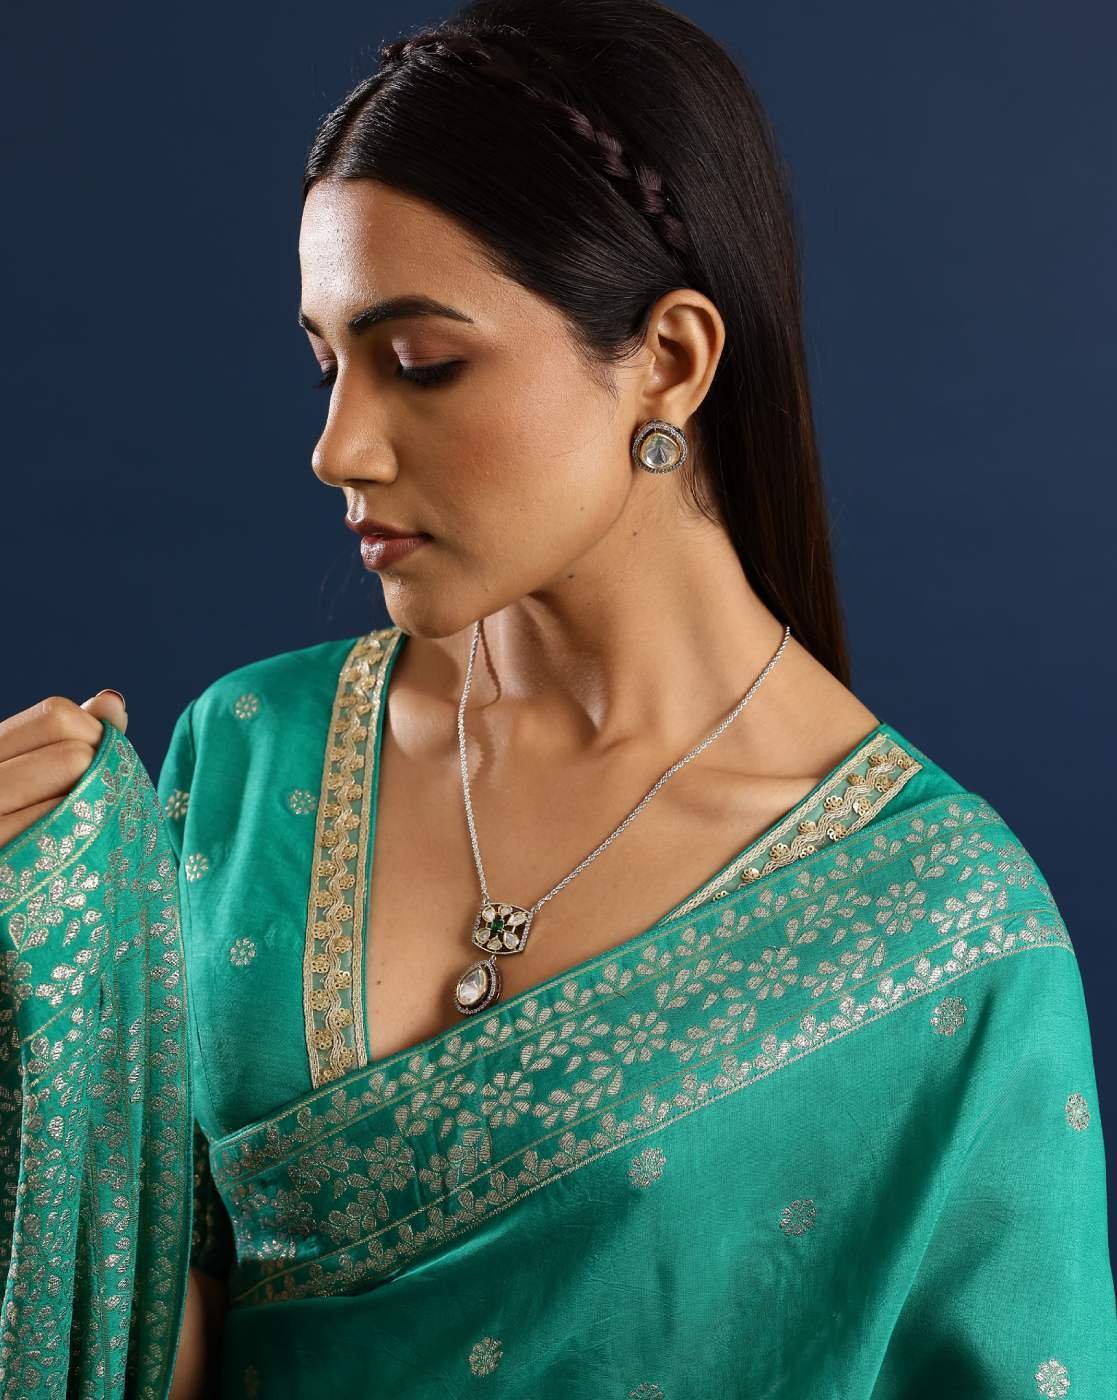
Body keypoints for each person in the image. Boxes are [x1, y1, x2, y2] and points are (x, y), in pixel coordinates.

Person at [2, 0, 1114, 1395]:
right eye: (325, 363)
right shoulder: (249, 755)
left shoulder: (940, 932)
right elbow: (151, 1351)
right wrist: (41, 970)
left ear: (671, 359)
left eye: (421, 364)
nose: (337, 446)